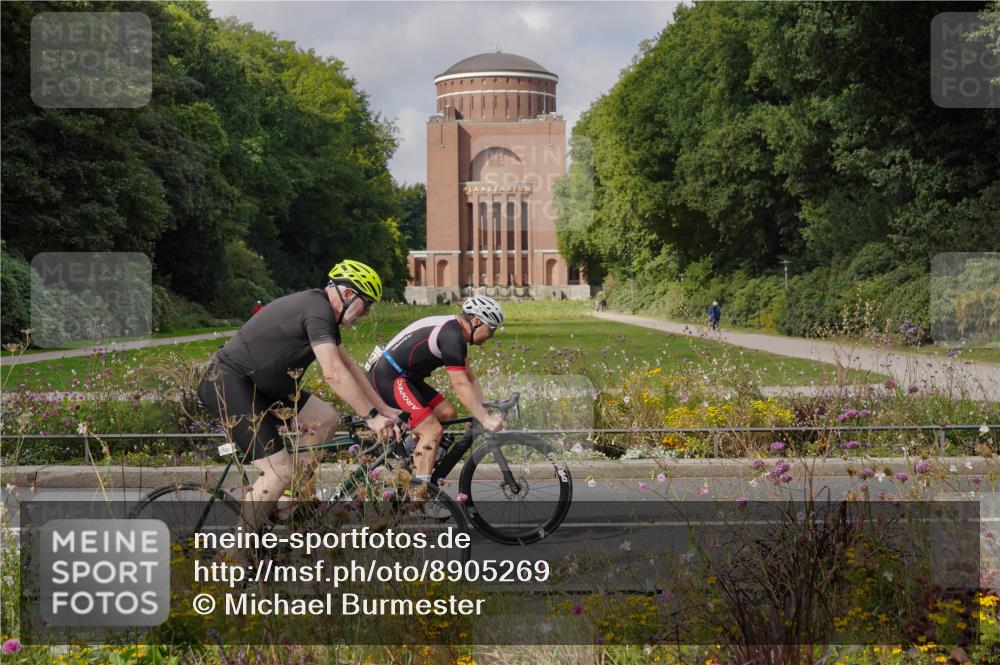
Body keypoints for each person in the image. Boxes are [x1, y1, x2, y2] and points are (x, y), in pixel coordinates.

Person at [198, 260, 402, 551]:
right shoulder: (316, 310)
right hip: (230, 384)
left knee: (326, 418)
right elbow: (332, 373)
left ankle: (287, 498)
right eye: (366, 304)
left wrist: (382, 408)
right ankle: (233, 554)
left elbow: (350, 367)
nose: (367, 312)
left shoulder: (322, 313)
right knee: (278, 471)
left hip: (264, 387)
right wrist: (370, 417)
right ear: (346, 295)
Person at [365, 295, 506, 488]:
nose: (491, 335)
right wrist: (485, 419)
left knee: (447, 413)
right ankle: (418, 494)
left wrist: (484, 412)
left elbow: (470, 379)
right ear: (476, 321)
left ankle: (406, 460)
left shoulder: (455, 332)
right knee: (432, 430)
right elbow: (460, 386)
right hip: (389, 377)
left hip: (405, 377)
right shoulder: (451, 335)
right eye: (491, 329)